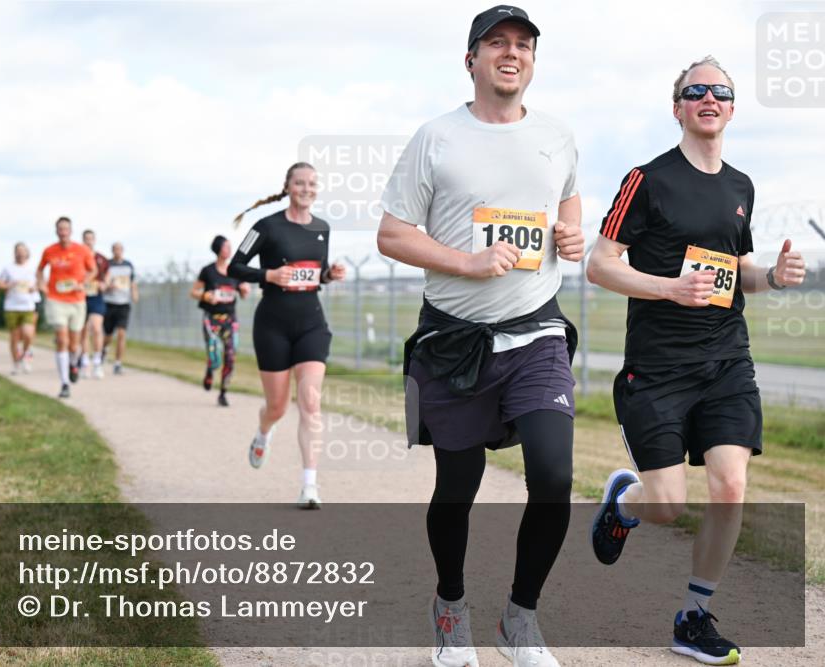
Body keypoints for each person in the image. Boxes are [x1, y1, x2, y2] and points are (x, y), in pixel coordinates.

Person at [377, 7, 585, 666]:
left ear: (532, 62)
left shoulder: (557, 136)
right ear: (471, 59)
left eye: (523, 45)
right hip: (455, 339)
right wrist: (466, 260)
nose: (512, 53)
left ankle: (520, 619)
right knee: (456, 488)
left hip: (536, 330)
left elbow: (569, 200)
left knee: (553, 475)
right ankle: (451, 608)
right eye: (497, 42)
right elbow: (391, 232)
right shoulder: (436, 137)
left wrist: (571, 234)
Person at [586, 56, 806, 666]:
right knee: (668, 505)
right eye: (696, 91)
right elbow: (600, 264)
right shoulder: (647, 178)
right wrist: (666, 287)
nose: (709, 98)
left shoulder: (741, 187)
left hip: (726, 361)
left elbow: (739, 278)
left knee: (731, 485)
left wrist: (775, 278)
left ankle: (694, 616)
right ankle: (625, 505)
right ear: (678, 105)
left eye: (721, 92)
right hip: (656, 369)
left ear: (732, 108)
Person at [228, 162, 346, 509]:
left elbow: (314, 274)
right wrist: (269, 275)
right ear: (288, 186)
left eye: (312, 183)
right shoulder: (266, 226)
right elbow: (235, 266)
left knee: (310, 402)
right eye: (300, 183)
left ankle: (309, 486)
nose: (306, 188)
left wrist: (329, 275)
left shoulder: (322, 228)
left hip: (311, 322)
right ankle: (264, 431)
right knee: (277, 407)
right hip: (273, 325)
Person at [37, 216, 96, 398]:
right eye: (60, 229)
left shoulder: (82, 250)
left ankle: (73, 363)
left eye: (66, 229)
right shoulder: (49, 251)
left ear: (70, 231)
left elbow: (93, 270)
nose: (63, 232)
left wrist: (83, 282)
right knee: (61, 340)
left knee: (74, 343)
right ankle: (64, 383)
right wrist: (42, 285)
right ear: (56, 231)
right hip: (56, 299)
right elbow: (40, 270)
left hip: (77, 300)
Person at [192, 235, 251, 406]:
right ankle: (210, 370)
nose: (229, 249)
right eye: (226, 246)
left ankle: (223, 393)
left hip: (230, 320)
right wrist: (205, 295)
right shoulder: (208, 271)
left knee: (230, 357)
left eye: (230, 246)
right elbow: (194, 292)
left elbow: (243, 293)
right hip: (211, 319)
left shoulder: (236, 270)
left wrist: (245, 290)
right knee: (215, 356)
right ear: (218, 249)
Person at [0, 243, 40, 374]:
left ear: (27, 253)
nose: (21, 253)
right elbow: (0, 283)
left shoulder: (33, 268)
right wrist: (9, 285)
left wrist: (35, 288)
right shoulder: (8, 268)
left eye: (23, 251)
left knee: (28, 334)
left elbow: (40, 282)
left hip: (28, 305)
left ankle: (26, 355)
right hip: (12, 306)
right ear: (14, 253)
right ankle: (16, 363)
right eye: (18, 251)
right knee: (14, 337)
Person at [102, 242, 138, 375]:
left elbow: (132, 282)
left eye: (120, 249)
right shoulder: (107, 265)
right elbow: (103, 283)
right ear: (112, 250)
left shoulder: (128, 265)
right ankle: (104, 349)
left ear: (123, 250)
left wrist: (134, 294)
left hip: (124, 303)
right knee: (108, 335)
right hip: (109, 302)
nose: (118, 251)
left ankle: (118, 363)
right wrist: (108, 287)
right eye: (115, 249)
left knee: (122, 333)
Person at [78, 229, 110, 379]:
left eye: (91, 238)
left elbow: (107, 276)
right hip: (80, 297)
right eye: (86, 239)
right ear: (83, 240)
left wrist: (104, 284)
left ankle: (97, 361)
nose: (88, 241)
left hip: (96, 297)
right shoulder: (78, 257)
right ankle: (84, 362)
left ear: (94, 240)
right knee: (82, 331)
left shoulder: (101, 259)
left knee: (97, 328)